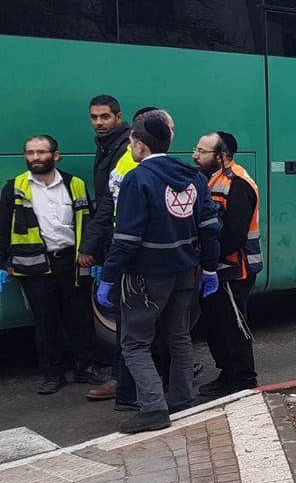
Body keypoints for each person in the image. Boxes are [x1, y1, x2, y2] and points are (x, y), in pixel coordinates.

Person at [96, 110, 221, 433]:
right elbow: (209, 226)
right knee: (178, 337)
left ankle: (153, 408)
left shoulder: (138, 178)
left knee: (135, 343)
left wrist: (108, 278)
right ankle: (181, 400)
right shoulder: (193, 176)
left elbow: (126, 238)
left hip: (145, 276)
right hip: (185, 271)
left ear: (138, 144)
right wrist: (209, 268)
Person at [0, 136, 105, 394]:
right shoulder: (15, 187)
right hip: (34, 266)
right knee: (45, 323)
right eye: (30, 153)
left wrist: (93, 254)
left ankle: (85, 368)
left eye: (41, 152)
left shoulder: (75, 185)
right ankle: (53, 374)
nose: (35, 157)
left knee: (79, 319)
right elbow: (3, 229)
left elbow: (89, 222)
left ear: (55, 156)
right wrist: (3, 263)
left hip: (71, 261)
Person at [193, 131, 261, 397]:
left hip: (235, 269)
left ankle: (243, 377)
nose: (195, 155)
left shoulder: (238, 184)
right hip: (218, 267)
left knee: (233, 326)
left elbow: (234, 234)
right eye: (196, 149)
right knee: (215, 324)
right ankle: (227, 373)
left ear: (221, 156)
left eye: (202, 151)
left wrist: (208, 259)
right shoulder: (213, 180)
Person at [79, 95, 135, 401]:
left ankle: (121, 381)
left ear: (118, 117)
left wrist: (89, 245)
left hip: (124, 244)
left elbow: (107, 205)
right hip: (118, 240)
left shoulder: (122, 150)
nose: (98, 122)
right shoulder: (107, 146)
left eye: (104, 117)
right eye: (94, 117)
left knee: (126, 320)